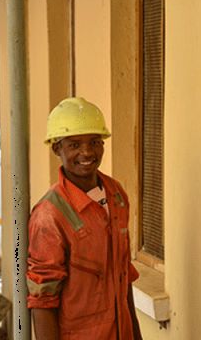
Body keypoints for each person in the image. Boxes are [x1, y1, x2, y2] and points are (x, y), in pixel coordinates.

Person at [27, 97, 143, 340]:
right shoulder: (49, 215)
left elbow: (123, 276)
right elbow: (42, 299)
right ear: (57, 148)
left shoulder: (116, 195)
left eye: (94, 142)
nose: (87, 152)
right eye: (74, 145)